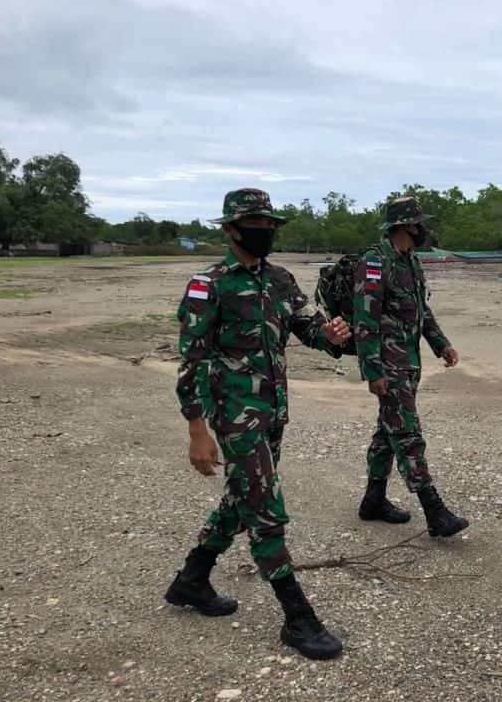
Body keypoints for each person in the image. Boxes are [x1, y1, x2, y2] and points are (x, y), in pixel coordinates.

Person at [164, 188, 352, 661]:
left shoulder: (281, 279)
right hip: (234, 416)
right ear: (229, 229)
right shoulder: (210, 284)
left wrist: (328, 336)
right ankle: (297, 616)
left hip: (273, 412)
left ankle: (191, 580)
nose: (264, 231)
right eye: (254, 224)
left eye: (269, 225)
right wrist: (197, 429)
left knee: (243, 497)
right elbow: (192, 360)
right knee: (265, 508)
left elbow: (304, 327)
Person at [352, 196, 469, 537]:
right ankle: (435, 512)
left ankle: (373, 499)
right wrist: (373, 372)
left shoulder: (410, 262)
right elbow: (364, 320)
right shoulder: (375, 263)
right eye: (419, 224)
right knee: (406, 433)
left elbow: (421, 311)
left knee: (387, 431)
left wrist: (441, 344)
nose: (423, 229)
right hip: (388, 364)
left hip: (409, 361)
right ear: (404, 226)